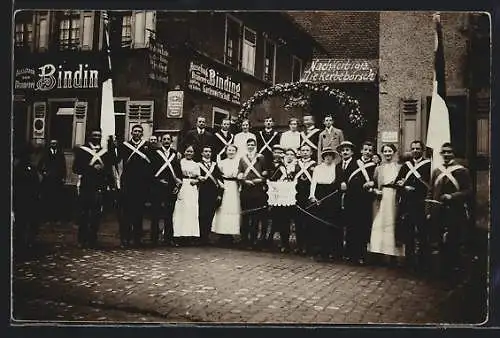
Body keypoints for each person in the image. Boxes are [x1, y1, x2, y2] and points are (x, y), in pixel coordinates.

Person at [426, 142, 472, 277]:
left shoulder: (462, 171)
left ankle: (453, 269)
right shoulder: (436, 171)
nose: (446, 154)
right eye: (444, 152)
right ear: (440, 154)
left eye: (449, 152)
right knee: (438, 240)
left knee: (453, 240)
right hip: (438, 211)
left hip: (454, 211)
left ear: (453, 154)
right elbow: (430, 192)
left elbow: (469, 191)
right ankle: (441, 270)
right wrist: (428, 210)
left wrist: (452, 196)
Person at [73, 129, 116, 248]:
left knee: (96, 215)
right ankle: (82, 239)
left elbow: (109, 170)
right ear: (90, 136)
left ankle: (92, 239)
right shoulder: (82, 151)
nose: (97, 137)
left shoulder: (105, 152)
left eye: (99, 135)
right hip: (86, 186)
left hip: (99, 187)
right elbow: (75, 168)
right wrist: (91, 168)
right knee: (84, 214)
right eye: (94, 135)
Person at [395, 140, 432, 270]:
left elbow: (430, 186)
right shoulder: (406, 166)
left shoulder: (428, 165)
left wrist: (414, 189)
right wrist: (402, 186)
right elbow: (397, 183)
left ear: (422, 150)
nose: (415, 151)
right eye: (413, 149)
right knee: (408, 232)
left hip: (421, 203)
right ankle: (409, 261)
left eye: (418, 148)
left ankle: (423, 262)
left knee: (422, 232)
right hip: (407, 204)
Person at [368, 143, 405, 265]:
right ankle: (378, 252)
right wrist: (374, 190)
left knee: (392, 224)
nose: (388, 154)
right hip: (381, 197)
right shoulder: (378, 168)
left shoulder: (400, 167)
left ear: (394, 153)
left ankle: (393, 254)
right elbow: (373, 183)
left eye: (390, 151)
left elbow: (403, 181)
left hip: (394, 196)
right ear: (382, 154)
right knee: (379, 223)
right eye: (385, 151)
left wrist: (401, 184)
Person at [342, 141, 377, 265]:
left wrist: (373, 183)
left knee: (363, 227)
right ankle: (350, 254)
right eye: (365, 149)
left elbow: (376, 180)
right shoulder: (354, 163)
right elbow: (344, 177)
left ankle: (361, 255)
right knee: (351, 227)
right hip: (352, 199)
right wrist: (343, 183)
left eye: (370, 150)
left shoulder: (374, 165)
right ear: (361, 151)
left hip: (365, 200)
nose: (367, 152)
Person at [117, 124, 152, 248]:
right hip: (128, 183)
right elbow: (118, 163)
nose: (137, 133)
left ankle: (137, 239)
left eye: (139, 131)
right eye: (135, 131)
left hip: (141, 184)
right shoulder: (124, 146)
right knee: (126, 213)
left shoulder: (147, 146)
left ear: (142, 134)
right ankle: (125, 239)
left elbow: (151, 165)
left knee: (139, 213)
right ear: (131, 133)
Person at [148, 133, 182, 246]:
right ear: (160, 141)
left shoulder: (175, 154)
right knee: (155, 213)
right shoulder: (155, 153)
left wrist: (177, 186)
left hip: (170, 188)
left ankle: (168, 239)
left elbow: (178, 172)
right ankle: (154, 239)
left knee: (169, 214)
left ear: (171, 141)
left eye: (168, 139)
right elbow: (150, 171)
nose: (166, 141)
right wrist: (158, 181)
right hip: (157, 187)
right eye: (164, 139)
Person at [308, 147, 340, 262]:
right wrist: (312, 196)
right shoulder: (317, 168)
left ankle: (332, 250)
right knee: (320, 223)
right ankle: (321, 250)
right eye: (326, 155)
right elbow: (314, 182)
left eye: (330, 155)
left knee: (331, 222)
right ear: (323, 157)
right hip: (320, 194)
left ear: (333, 156)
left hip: (331, 194)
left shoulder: (336, 167)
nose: (328, 157)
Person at [237, 138, 268, 249]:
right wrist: (244, 180)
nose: (251, 147)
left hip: (258, 189)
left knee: (255, 216)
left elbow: (265, 173)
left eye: (252, 145)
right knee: (245, 215)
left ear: (256, 146)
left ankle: (254, 239)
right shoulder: (242, 159)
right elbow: (240, 172)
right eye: (249, 145)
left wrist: (260, 180)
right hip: (246, 189)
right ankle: (245, 239)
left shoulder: (261, 158)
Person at [269, 147, 299, 253]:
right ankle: (284, 243)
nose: (289, 156)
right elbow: (272, 179)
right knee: (281, 221)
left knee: (291, 220)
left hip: (292, 197)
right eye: (287, 154)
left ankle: (295, 245)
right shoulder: (280, 167)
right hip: (280, 197)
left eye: (292, 154)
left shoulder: (297, 167)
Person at [13, 143, 41, 250]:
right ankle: (23, 241)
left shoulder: (28, 167)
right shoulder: (22, 168)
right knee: (23, 221)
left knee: (26, 220)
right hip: (24, 198)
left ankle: (27, 240)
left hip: (29, 198)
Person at [212, 145, 241, 246]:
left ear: (236, 152)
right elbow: (217, 176)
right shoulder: (222, 162)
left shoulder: (239, 162)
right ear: (226, 151)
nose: (231, 152)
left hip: (234, 187)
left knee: (233, 209)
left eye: (233, 150)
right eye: (229, 150)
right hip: (225, 186)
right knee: (223, 209)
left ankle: (231, 234)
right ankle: (222, 234)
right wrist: (221, 185)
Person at [172, 145, 201, 244]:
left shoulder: (196, 164)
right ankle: (178, 235)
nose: (189, 153)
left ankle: (190, 235)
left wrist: (196, 181)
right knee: (181, 209)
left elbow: (199, 178)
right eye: (187, 151)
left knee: (191, 210)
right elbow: (175, 174)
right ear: (184, 152)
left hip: (192, 188)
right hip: (183, 186)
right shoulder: (180, 162)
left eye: (191, 152)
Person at [335, 140, 357, 261]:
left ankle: (351, 252)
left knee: (351, 226)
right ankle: (339, 251)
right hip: (339, 199)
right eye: (343, 150)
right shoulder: (338, 166)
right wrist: (340, 184)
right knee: (339, 225)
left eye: (347, 150)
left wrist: (348, 186)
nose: (345, 152)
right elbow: (336, 181)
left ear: (352, 152)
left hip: (352, 199)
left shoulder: (356, 165)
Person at [197, 146, 223, 246]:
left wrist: (220, 194)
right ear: (202, 153)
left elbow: (220, 180)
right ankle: (200, 237)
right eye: (206, 151)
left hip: (212, 193)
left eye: (209, 152)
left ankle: (206, 237)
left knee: (210, 215)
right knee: (201, 215)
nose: (208, 153)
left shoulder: (215, 165)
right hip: (201, 193)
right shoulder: (198, 165)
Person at [294, 144, 316, 255]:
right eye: (303, 150)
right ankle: (299, 245)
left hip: (308, 195)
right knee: (298, 222)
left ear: (311, 152)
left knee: (308, 222)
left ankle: (308, 246)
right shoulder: (295, 164)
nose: (305, 152)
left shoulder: (315, 165)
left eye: (307, 150)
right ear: (300, 152)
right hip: (297, 195)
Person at [37, 139, 66, 224]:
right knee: (47, 199)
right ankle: (47, 219)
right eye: (52, 143)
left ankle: (56, 219)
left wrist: (64, 177)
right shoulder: (45, 154)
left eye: (55, 143)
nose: (54, 145)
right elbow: (39, 166)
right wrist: (44, 173)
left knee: (57, 199)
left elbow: (63, 166)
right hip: (48, 181)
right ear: (50, 144)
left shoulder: (60, 154)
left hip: (57, 180)